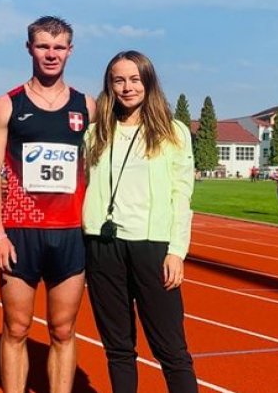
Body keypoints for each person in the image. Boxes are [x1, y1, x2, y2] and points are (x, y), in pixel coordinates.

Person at [0, 16, 96, 393]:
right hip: (20, 232)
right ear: (29, 48)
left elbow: (99, 167)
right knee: (16, 328)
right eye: (43, 46)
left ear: (70, 51)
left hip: (70, 233)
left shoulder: (87, 106)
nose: (51, 54)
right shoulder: (7, 105)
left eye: (59, 47)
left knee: (63, 330)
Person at [82, 50, 198, 393]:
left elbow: (182, 194)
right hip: (103, 246)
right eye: (118, 80)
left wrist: (176, 251)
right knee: (118, 349)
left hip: (153, 248)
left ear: (148, 82)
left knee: (172, 350)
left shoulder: (172, 132)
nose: (127, 87)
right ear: (109, 85)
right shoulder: (95, 133)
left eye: (135, 79)